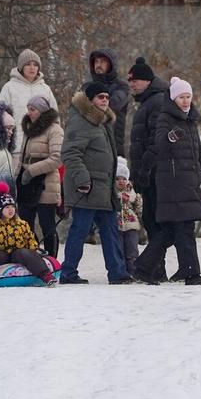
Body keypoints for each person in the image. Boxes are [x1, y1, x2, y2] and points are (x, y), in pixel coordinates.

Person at [130, 77, 201, 285]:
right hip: (173, 183)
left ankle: (147, 267)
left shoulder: (190, 120)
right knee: (181, 229)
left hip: (188, 181)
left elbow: (197, 151)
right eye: (181, 97)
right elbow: (160, 143)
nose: (185, 101)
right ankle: (189, 272)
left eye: (188, 97)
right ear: (173, 98)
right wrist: (170, 137)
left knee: (175, 231)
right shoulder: (166, 117)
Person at [59, 83, 132, 285]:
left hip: (104, 189)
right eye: (100, 97)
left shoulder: (102, 121)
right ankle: (68, 273)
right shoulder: (80, 121)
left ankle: (117, 273)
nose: (105, 100)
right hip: (87, 188)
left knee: (110, 231)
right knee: (80, 230)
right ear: (90, 99)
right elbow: (70, 154)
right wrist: (83, 180)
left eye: (107, 97)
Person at [127, 57, 173, 279]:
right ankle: (157, 268)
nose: (132, 84)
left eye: (135, 80)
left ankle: (151, 267)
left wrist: (145, 169)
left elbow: (155, 141)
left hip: (155, 173)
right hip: (149, 172)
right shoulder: (148, 102)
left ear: (147, 81)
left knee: (156, 222)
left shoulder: (156, 101)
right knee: (151, 220)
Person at [17, 95, 63, 257]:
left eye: (33, 109)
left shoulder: (54, 129)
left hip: (46, 182)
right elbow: (23, 156)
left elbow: (57, 158)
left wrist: (32, 170)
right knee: (24, 224)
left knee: (47, 224)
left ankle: (52, 258)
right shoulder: (28, 130)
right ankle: (33, 255)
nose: (29, 112)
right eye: (28, 109)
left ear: (42, 111)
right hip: (26, 182)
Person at [0, 49, 58, 128]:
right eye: (28, 64)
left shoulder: (45, 89)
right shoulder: (9, 87)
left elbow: (54, 117)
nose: (32, 68)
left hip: (42, 138)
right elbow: (0, 114)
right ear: (21, 67)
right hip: (17, 137)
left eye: (35, 65)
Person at [88, 48, 131, 157]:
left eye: (103, 62)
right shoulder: (86, 87)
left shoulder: (121, 86)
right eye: (96, 61)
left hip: (113, 144)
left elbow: (112, 105)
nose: (98, 64)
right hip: (90, 143)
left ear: (111, 64)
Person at [115, 157, 142, 275]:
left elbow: (138, 205)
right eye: (117, 179)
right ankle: (121, 272)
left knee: (132, 251)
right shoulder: (113, 193)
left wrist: (139, 216)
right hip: (117, 226)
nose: (121, 181)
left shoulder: (132, 192)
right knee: (119, 250)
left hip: (131, 225)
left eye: (124, 179)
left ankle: (133, 271)